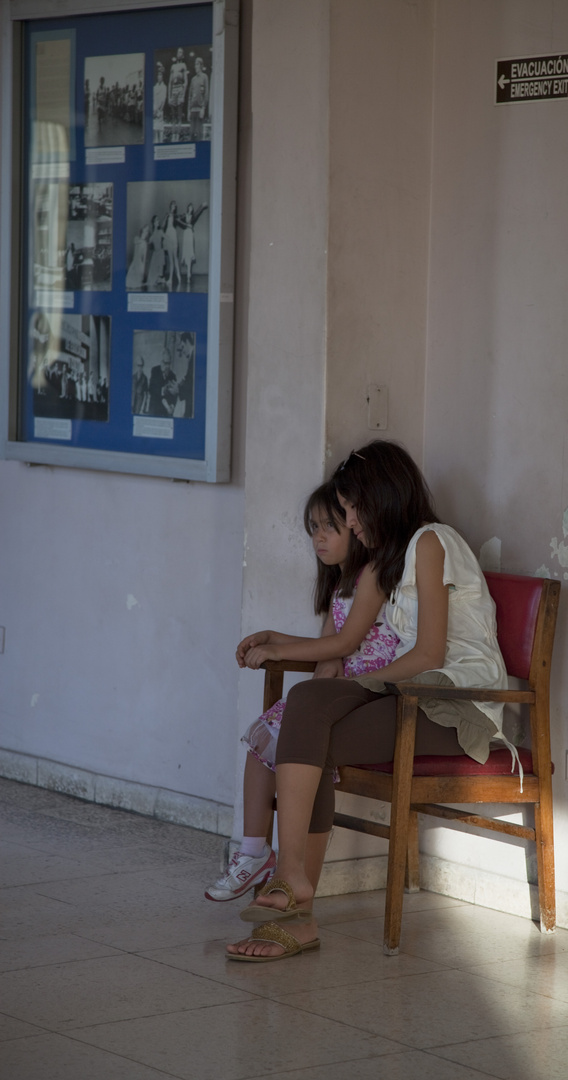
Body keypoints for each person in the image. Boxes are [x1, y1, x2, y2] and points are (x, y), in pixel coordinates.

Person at [226, 440, 508, 961]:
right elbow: (357, 645)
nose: (350, 522)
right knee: (311, 709)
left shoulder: (430, 542)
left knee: (317, 713)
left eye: (352, 509)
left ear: (378, 498)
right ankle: (295, 891)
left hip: (454, 705)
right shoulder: (393, 560)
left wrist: (361, 684)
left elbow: (427, 653)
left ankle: (296, 901)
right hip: (412, 696)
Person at [206, 480, 398, 903]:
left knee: (284, 732)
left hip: (369, 692)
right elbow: (327, 656)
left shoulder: (376, 574)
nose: (320, 536)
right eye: (313, 527)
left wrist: (278, 646)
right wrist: (278, 643)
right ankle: (254, 851)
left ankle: (285, 874)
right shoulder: (340, 587)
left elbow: (346, 646)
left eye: (332, 525)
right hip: (338, 691)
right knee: (262, 738)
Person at [176, 201, 208, 290]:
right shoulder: (184, 215)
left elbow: (198, 212)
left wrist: (202, 206)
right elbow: (177, 219)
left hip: (190, 235)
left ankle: (189, 275)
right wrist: (187, 225)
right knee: (186, 254)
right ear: (188, 208)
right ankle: (188, 274)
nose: (191, 209)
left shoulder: (193, 216)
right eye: (190, 207)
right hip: (186, 234)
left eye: (192, 208)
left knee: (190, 254)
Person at [147, 348, 178, 416]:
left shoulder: (173, 376)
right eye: (165, 363)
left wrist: (172, 406)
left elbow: (175, 395)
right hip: (154, 409)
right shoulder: (155, 371)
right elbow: (151, 389)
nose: (167, 366)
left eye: (169, 363)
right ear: (161, 362)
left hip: (166, 412)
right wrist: (161, 390)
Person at [187, 57, 209, 141]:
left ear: (200, 65)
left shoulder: (205, 77)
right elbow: (189, 96)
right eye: (195, 64)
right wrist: (188, 110)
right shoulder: (193, 79)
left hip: (200, 110)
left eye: (196, 64)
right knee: (191, 134)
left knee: (199, 134)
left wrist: (203, 108)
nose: (195, 66)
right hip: (192, 110)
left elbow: (206, 93)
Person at [162, 201, 181, 291]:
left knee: (175, 258)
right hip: (168, 235)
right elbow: (162, 226)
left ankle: (179, 278)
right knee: (171, 259)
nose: (175, 206)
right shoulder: (168, 214)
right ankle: (170, 279)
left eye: (175, 205)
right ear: (170, 206)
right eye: (173, 204)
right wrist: (166, 218)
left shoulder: (175, 216)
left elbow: (180, 219)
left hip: (173, 235)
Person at [125, 224, 149, 290]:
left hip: (139, 263)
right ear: (142, 230)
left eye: (147, 231)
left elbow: (144, 257)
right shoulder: (136, 238)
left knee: (136, 283)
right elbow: (136, 241)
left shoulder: (145, 243)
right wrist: (143, 240)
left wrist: (143, 270)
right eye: (145, 230)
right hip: (134, 261)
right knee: (128, 281)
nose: (146, 232)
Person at [153, 64, 168, 143]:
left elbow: (163, 99)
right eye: (158, 75)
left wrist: (159, 110)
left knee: (160, 130)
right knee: (155, 130)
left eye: (160, 75)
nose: (159, 76)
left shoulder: (164, 87)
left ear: (162, 77)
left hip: (160, 111)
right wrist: (154, 110)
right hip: (154, 110)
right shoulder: (154, 87)